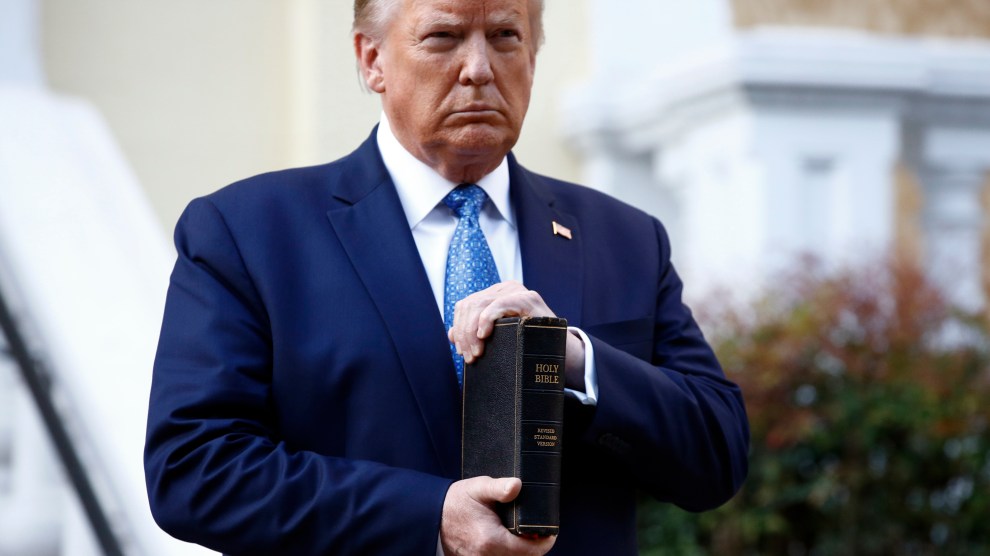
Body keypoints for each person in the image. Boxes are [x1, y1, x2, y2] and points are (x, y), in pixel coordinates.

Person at [144, 0, 749, 554]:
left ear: (534, 57)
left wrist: (575, 358)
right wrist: (428, 516)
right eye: (444, 36)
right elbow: (195, 470)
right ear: (371, 58)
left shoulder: (624, 238)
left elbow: (719, 452)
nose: (479, 68)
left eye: (506, 36)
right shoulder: (250, 233)